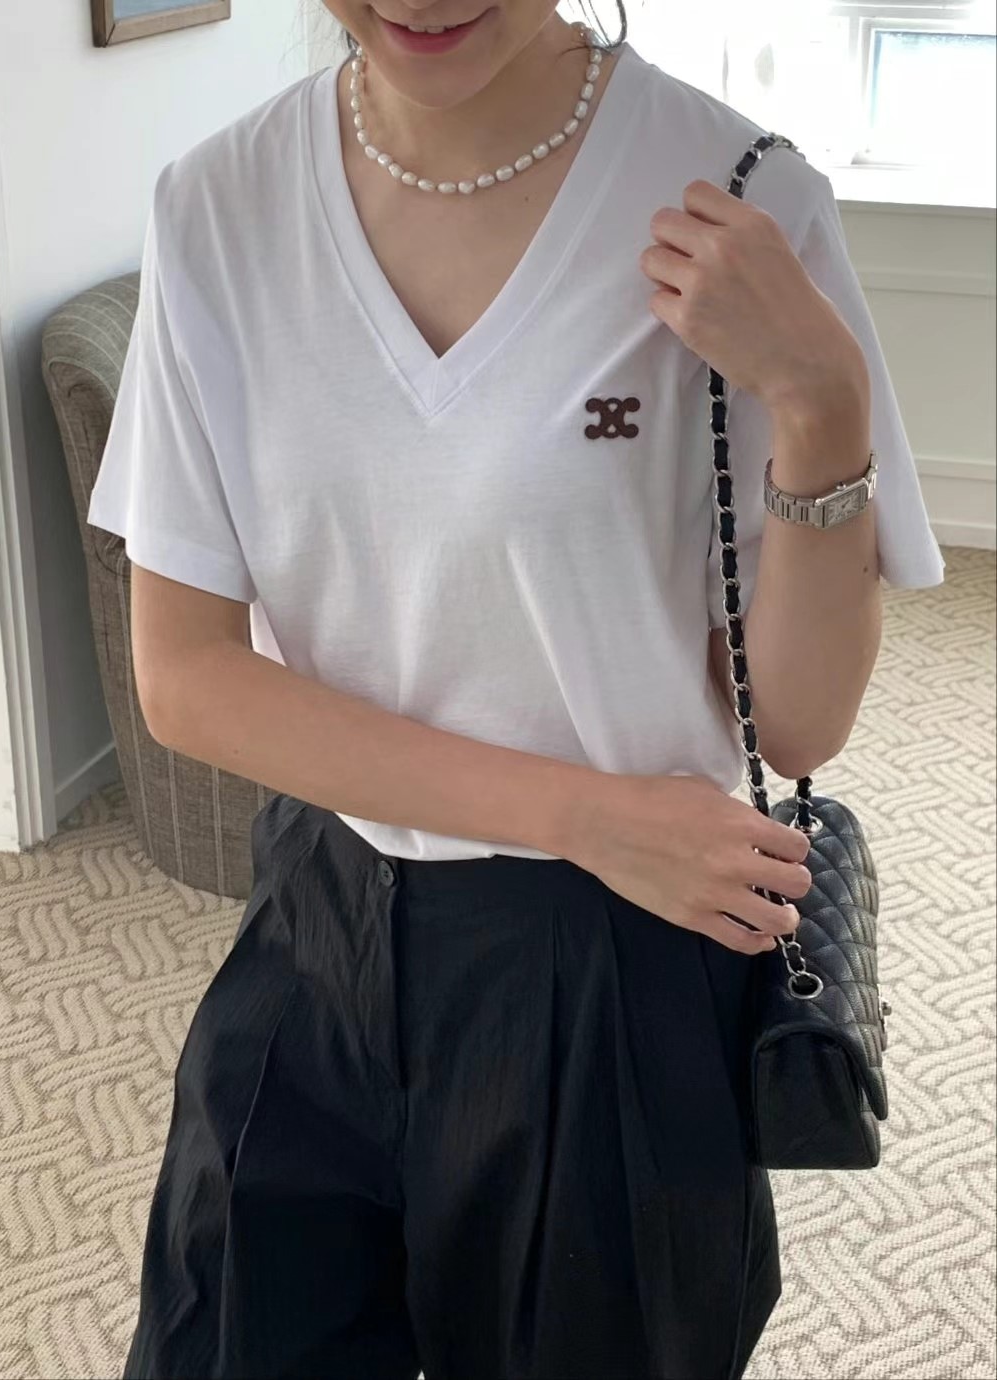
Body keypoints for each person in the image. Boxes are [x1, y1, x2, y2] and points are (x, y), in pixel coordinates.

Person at [87, 2, 946, 1377]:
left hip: (618, 959)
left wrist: (824, 399)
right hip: (322, 913)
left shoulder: (738, 198)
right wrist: (580, 813)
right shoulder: (218, 206)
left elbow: (797, 721)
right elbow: (185, 678)